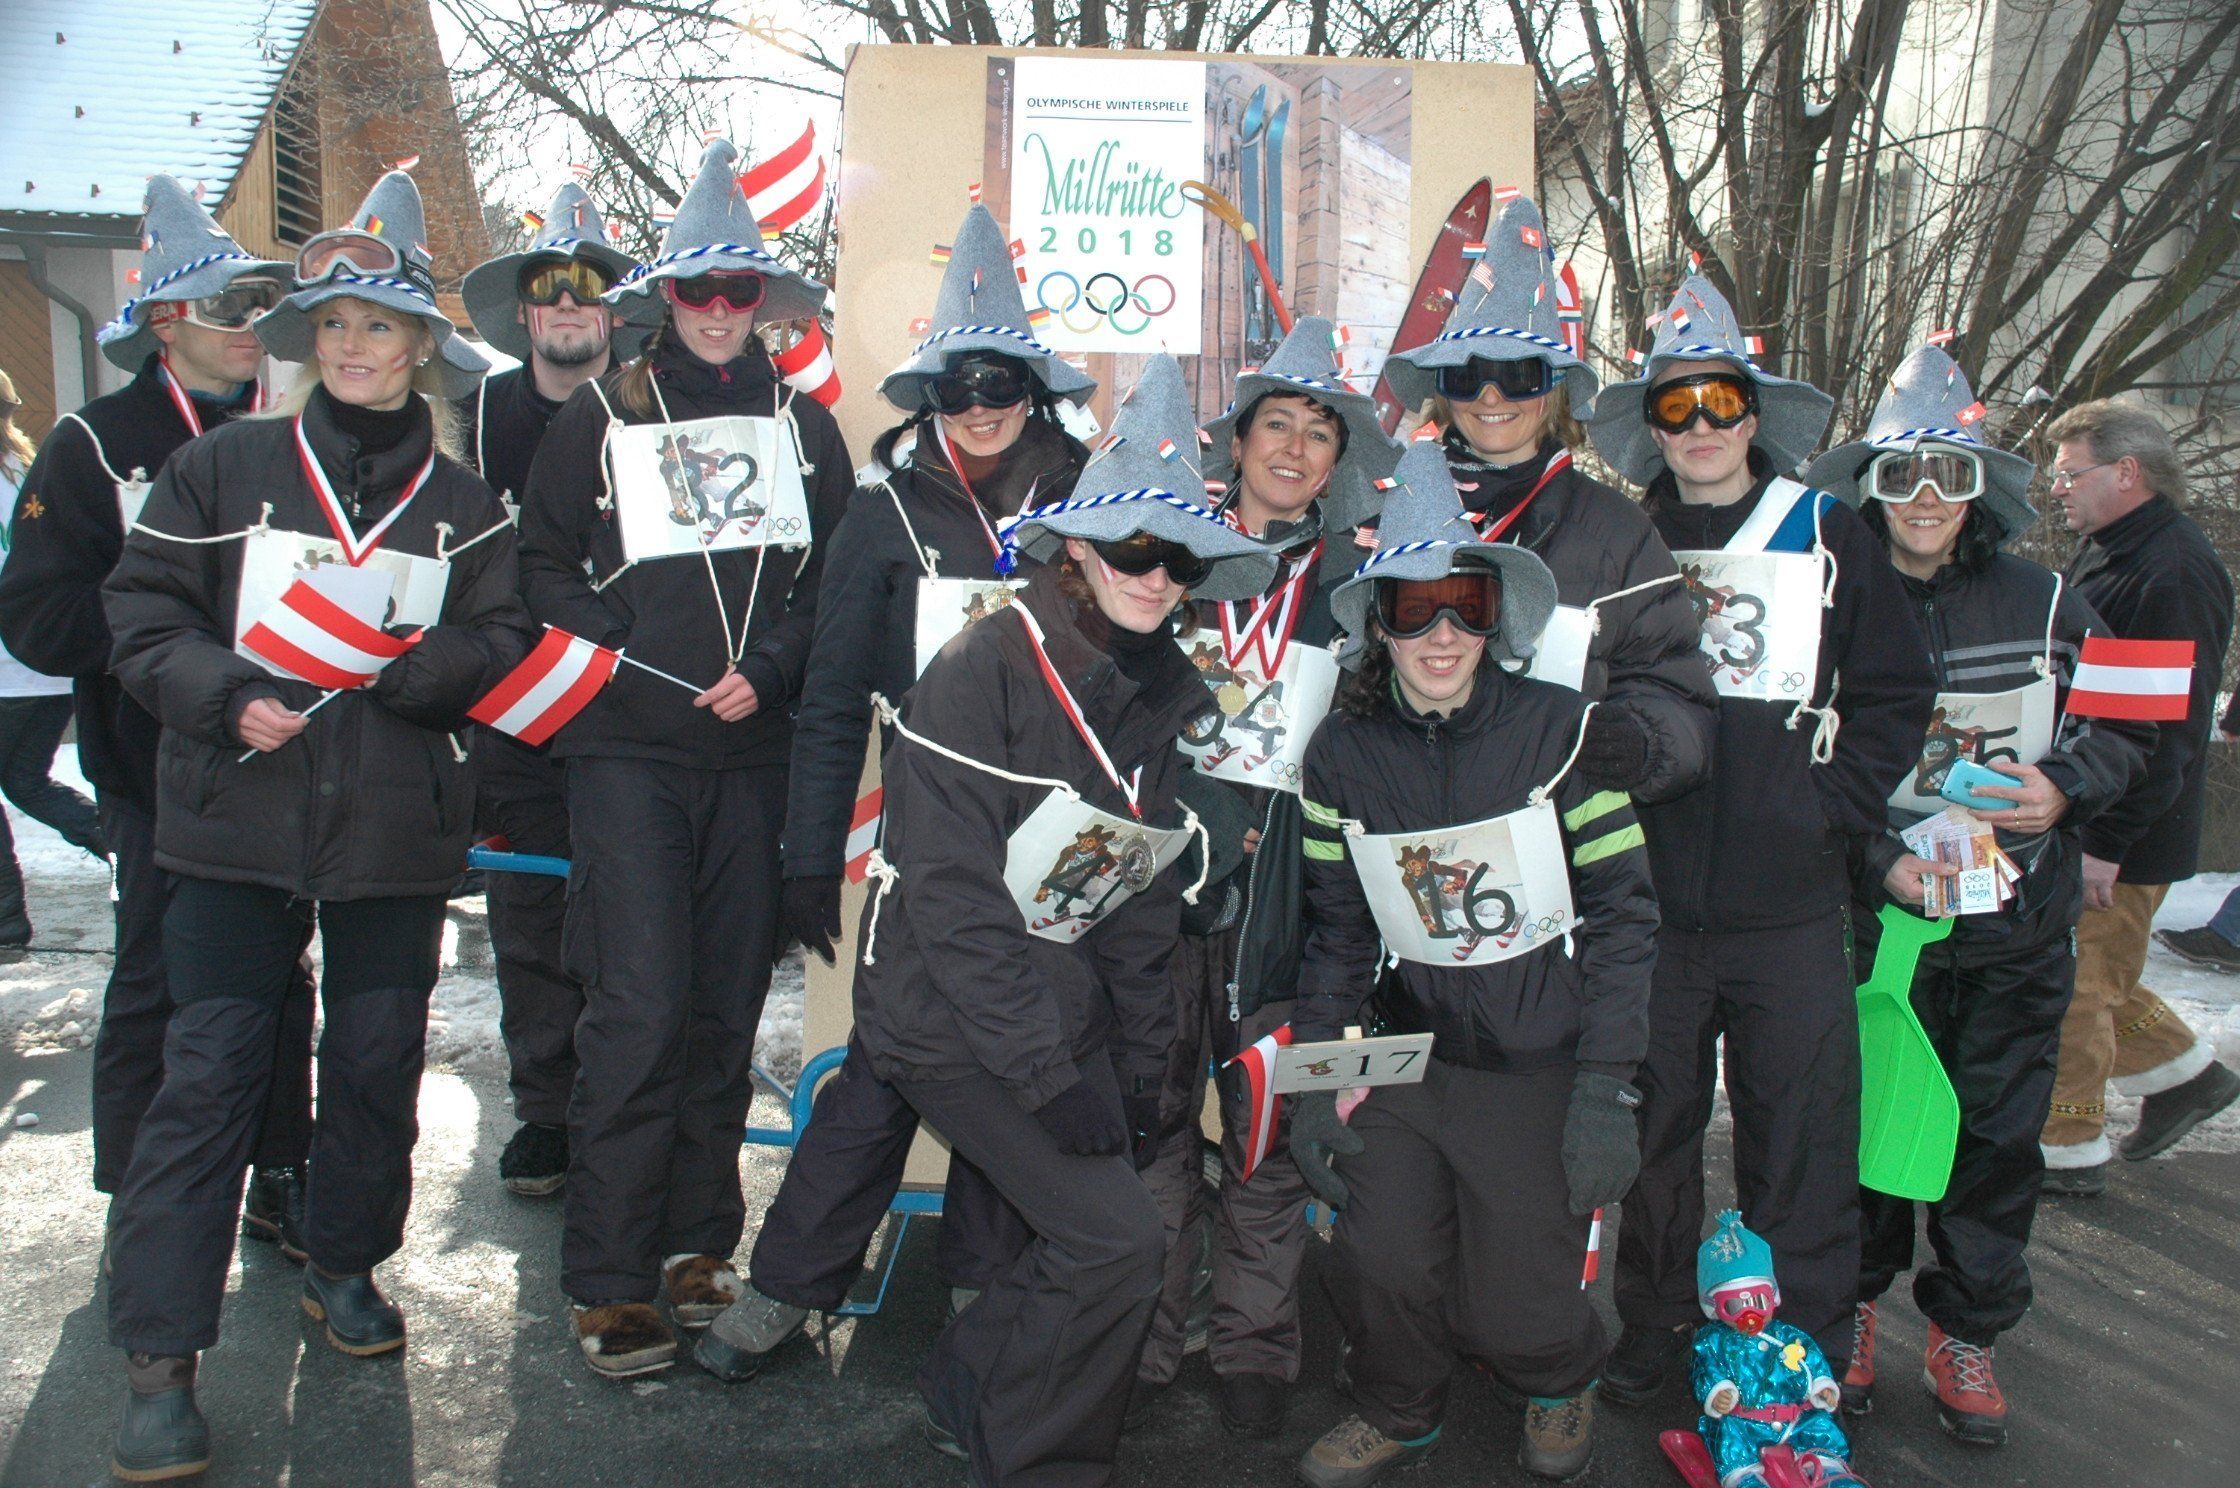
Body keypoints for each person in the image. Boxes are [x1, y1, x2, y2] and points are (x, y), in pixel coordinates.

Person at [98, 170, 528, 1483]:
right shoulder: (218, 467)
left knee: (377, 1063)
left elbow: (503, 634)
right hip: (234, 823)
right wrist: (226, 696)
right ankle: (161, 1361)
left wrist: (435, 670)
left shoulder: (467, 507)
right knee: (208, 1076)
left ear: (419, 347)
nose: (352, 345)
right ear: (306, 340)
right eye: (333, 324)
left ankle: (344, 1263)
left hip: (395, 831)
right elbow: (140, 615)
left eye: (378, 326)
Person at [850, 354, 1273, 1487]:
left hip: (1052, 1013)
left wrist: (1137, 1069)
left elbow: (1133, 897)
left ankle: (966, 1382)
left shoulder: (1154, 691)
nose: (1156, 576)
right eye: (1132, 548)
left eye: (1179, 558)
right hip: (945, 1016)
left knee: (1109, 1241)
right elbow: (949, 900)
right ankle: (1039, 1459)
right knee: (1116, 1243)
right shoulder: (979, 669)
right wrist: (1047, 1077)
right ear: (1077, 548)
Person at [699, 204, 1083, 1381]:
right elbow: (827, 701)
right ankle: (788, 1282)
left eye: (1000, 380)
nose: (980, 404)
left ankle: (981, 1284)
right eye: (957, 383)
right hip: (926, 838)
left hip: (1052, 837)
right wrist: (808, 857)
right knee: (887, 1065)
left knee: (1019, 1062)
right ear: (929, 394)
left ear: (1032, 387)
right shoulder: (882, 513)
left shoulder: (1090, 503)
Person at [514, 140, 853, 1378]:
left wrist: (772, 667)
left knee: (721, 1008)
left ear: (763, 301)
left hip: (751, 757)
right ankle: (609, 1277)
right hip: (627, 756)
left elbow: (831, 589)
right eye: (696, 290)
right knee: (638, 1009)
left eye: (737, 290)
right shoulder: (599, 415)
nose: (716, 310)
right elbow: (539, 564)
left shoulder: (806, 428)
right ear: (663, 297)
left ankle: (698, 1242)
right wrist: (622, 653)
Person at [1588, 276, 1935, 1402]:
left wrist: (1830, 810)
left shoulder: (1826, 530)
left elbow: (1894, 688)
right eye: (1675, 406)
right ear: (1651, 425)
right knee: (1654, 1134)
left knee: (1799, 1135)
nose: (1700, 425)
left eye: (1720, 402)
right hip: (1648, 903)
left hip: (1788, 901)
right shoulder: (1621, 540)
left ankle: (1802, 1345)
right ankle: (1655, 1322)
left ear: (1753, 413)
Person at [1285, 439, 1657, 1484]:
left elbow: (1626, 918)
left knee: (1514, 1307)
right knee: (1379, 1257)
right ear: (1377, 625)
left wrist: (1606, 1090)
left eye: (1465, 607)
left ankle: (1558, 1376)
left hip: (1536, 1060)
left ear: (1496, 619)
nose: (1440, 635)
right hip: (1409, 1053)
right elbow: (1335, 932)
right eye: (1413, 610)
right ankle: (1397, 1405)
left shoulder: (1564, 732)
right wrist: (1317, 1083)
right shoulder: (1339, 754)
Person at [1805, 347, 2150, 1445]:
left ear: (1977, 489)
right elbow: (1793, 756)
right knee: (1864, 1121)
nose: (1923, 499)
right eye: (1900, 476)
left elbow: (2133, 724)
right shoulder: (1825, 603)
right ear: (1869, 488)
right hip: (1879, 923)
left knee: (1996, 1137)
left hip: (2015, 925)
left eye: (1947, 476)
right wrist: (1873, 858)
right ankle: (1853, 1308)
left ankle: (1968, 1331)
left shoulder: (2050, 601)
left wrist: (2066, 785)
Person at [0, 178, 316, 1256]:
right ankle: (136, 1187)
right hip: (153, 768)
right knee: (154, 973)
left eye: (263, 307)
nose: (252, 327)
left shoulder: (294, 432)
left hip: (280, 761)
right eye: (230, 308)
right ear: (167, 321)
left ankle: (281, 1170)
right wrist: (172, 637)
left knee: (282, 976)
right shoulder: (94, 443)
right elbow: (35, 614)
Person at [1133, 314, 1400, 1438]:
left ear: (1337, 463)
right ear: (1235, 441)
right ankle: (1144, 1341)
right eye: (1275, 425)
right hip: (1163, 887)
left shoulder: (1357, 581)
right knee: (1150, 1127)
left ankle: (1253, 1344)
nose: (1293, 449)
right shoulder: (1172, 555)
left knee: (1268, 1131)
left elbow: (1384, 730)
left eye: (1318, 434)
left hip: (1292, 896)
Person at [1379, 193, 1715, 802]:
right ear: (1442, 390)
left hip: (1556, 829)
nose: (1490, 397)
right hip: (1404, 822)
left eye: (1518, 375)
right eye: (1466, 374)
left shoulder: (1617, 533)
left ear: (1554, 388)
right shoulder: (1386, 509)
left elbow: (1676, 689)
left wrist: (1644, 742)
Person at [456, 182, 644, 1198]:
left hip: (634, 697)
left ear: (616, 308)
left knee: (633, 916)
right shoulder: (473, 415)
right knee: (530, 913)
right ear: (524, 312)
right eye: (548, 288)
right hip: (518, 705)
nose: (569, 303)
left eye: (589, 286)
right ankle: (545, 1112)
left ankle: (626, 1104)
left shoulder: (656, 403)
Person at [2038, 399, 2240, 1189]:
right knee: (2092, 970)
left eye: (2070, 472)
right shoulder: (2119, 550)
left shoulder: (2170, 572)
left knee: (2079, 984)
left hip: (2126, 826)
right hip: (2094, 809)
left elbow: (2169, 732)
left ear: (2127, 472)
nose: (2057, 488)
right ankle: (2188, 1077)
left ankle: (2065, 1148)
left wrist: (2106, 845)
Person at [0, 370, 105, 956]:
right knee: (25, 780)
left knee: (23, 781)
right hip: (46, 657)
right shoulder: (27, 473)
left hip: (10, 664)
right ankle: (126, 848)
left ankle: (6, 924)